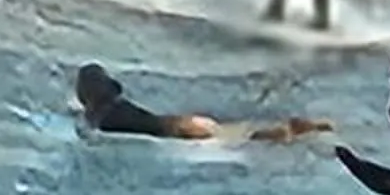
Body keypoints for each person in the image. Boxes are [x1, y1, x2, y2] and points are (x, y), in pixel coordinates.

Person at [72, 64, 330, 145]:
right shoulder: (112, 106)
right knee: (235, 133)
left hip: (179, 128)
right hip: (179, 124)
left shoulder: (98, 116)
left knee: (237, 137)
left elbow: (86, 129)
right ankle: (290, 128)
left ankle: (288, 131)